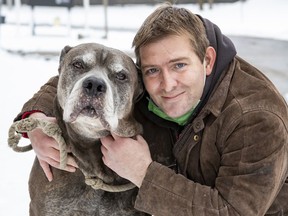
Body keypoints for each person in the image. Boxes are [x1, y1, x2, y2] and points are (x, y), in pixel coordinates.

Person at [14, 2, 288, 215]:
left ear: (207, 60)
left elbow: (233, 212)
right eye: (153, 70)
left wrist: (143, 173)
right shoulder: (145, 87)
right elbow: (75, 80)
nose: (167, 85)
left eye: (179, 65)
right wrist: (35, 120)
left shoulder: (257, 119)